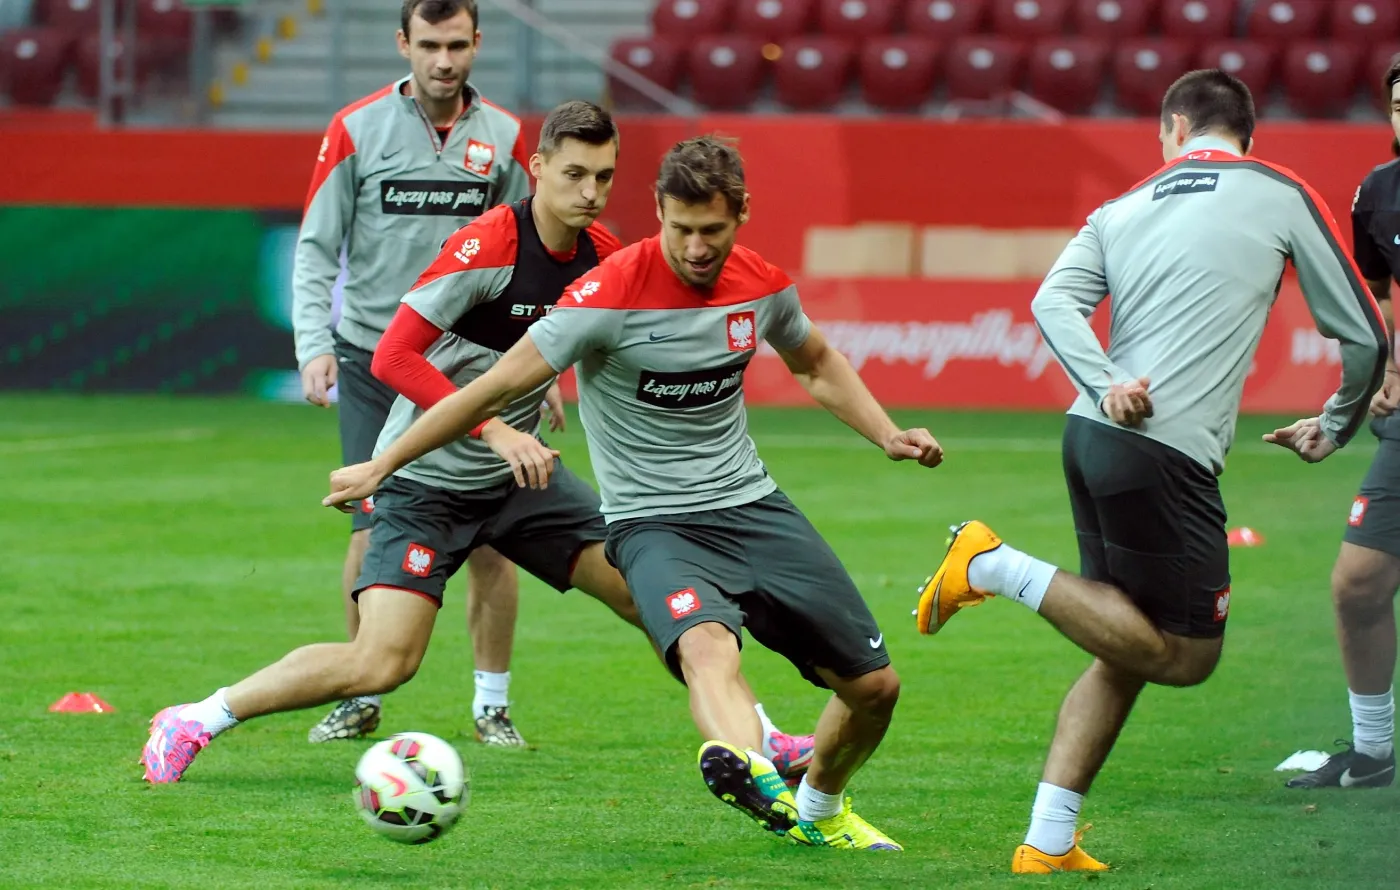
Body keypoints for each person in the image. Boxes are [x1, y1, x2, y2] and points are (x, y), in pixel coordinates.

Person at [141, 104, 813, 787]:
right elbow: (394, 358)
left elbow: (575, 343)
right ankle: (197, 717)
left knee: (651, 596)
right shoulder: (490, 243)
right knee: (382, 662)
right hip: (428, 480)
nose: (589, 192)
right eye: (574, 174)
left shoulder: (604, 258)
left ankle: (761, 739)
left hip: (521, 485)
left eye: (604, 178)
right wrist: (493, 428)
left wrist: (548, 383)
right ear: (538, 168)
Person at [320, 135, 945, 850]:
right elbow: (492, 386)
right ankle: (748, 766)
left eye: (712, 230)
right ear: (658, 213)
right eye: (680, 229)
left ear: (741, 213)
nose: (697, 247)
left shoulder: (762, 285)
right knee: (709, 648)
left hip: (752, 504)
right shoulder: (606, 293)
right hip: (652, 524)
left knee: (875, 689)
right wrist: (384, 462)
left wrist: (886, 432)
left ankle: (822, 811)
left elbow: (817, 361)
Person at [914, 69, 1389, 873]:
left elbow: (1050, 304)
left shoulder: (1120, 207)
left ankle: (1048, 840)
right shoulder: (1277, 190)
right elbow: (1368, 336)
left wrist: (1104, 382)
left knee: (1125, 643)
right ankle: (992, 565)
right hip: (1165, 456)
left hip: (1091, 435)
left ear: (1173, 127)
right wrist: (1338, 425)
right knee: (1187, 655)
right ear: (1246, 134)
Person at [291, 0, 540, 747]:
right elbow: (315, 245)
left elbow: (533, 252)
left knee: (491, 539)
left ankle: (490, 705)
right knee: (369, 533)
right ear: (403, 43)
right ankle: (359, 692)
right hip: (374, 357)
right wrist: (313, 342)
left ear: (476, 44)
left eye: (457, 45)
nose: (443, 61)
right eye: (428, 45)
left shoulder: (503, 136)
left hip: (473, 364)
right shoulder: (355, 128)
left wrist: (543, 363)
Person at [1285, 59, 1400, 792]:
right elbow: (1384, 299)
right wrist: (1387, 374)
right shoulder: (1380, 193)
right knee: (1357, 585)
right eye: (1399, 101)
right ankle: (1373, 750)